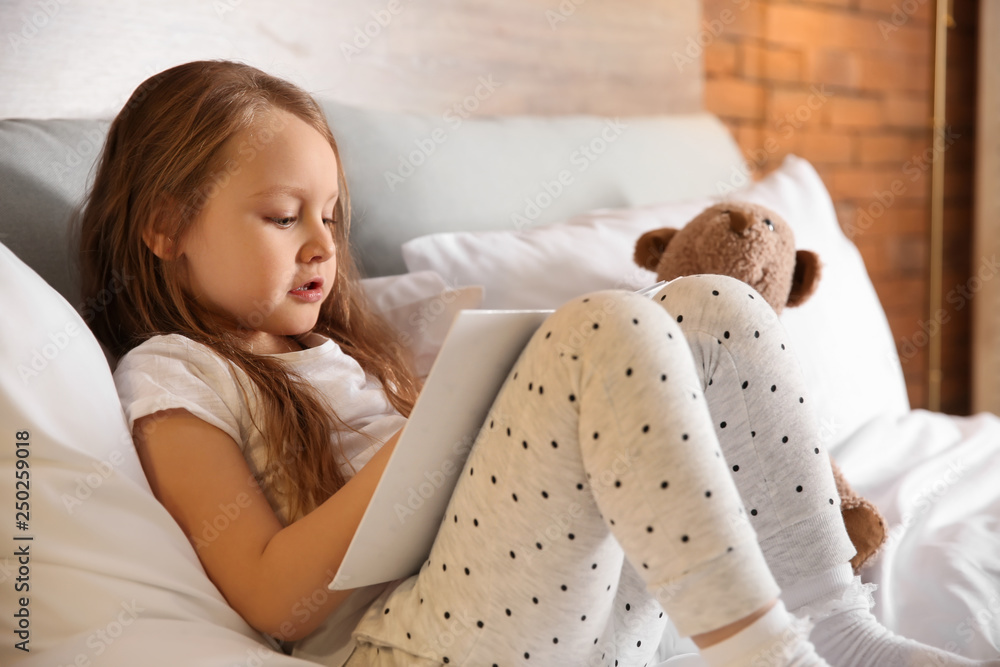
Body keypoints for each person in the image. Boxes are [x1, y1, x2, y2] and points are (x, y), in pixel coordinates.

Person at [76, 60, 990, 667]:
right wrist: (426, 447)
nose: (322, 245)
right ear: (164, 225)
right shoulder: (175, 372)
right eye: (283, 217)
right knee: (603, 328)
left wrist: (457, 422)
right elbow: (275, 601)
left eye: (332, 217)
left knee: (711, 305)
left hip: (553, 610)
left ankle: (833, 621)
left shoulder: (348, 352)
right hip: (407, 645)